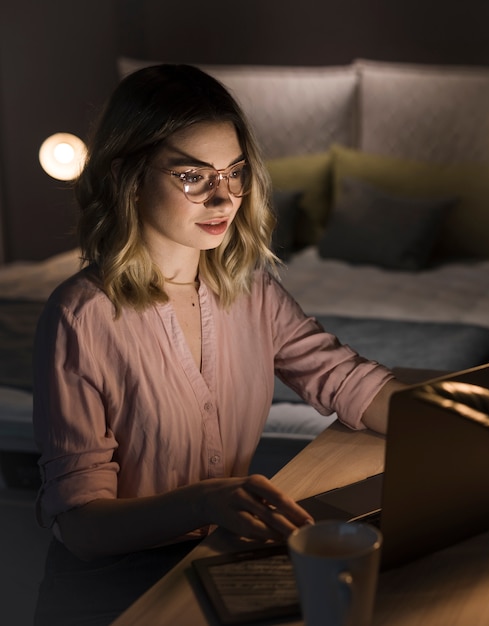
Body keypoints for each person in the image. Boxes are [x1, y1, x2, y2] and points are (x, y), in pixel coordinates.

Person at [32, 64, 407, 625]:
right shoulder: (79, 317)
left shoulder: (251, 292)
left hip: (216, 565)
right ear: (128, 176)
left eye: (235, 172)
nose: (224, 196)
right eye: (193, 176)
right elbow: (83, 528)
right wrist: (206, 501)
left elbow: (349, 382)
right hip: (112, 593)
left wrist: (480, 421)